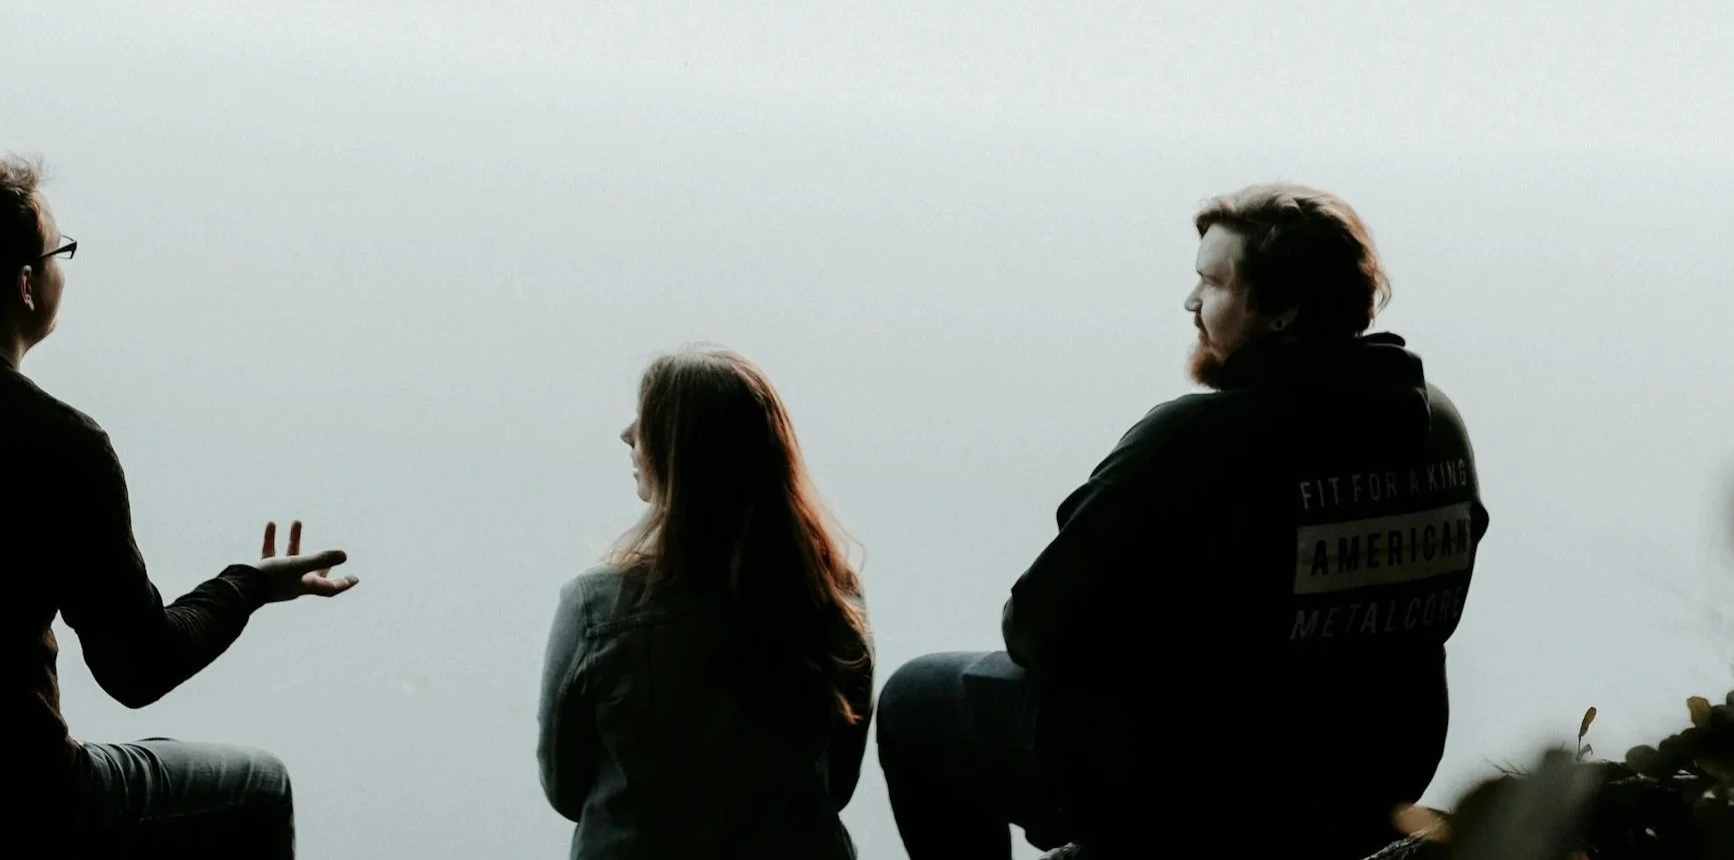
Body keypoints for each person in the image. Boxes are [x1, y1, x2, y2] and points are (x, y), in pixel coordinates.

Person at [877, 184, 1486, 860]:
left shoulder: (1194, 439)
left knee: (914, 700)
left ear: (1283, 310)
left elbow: (1036, 627)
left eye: (1214, 283)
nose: (1192, 302)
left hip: (1213, 785)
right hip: (1378, 771)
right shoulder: (1438, 424)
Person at [0, 156, 358, 856]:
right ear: (26, 284)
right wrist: (250, 585)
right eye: (61, 252)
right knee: (259, 784)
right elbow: (138, 670)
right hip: (10, 813)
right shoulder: (58, 442)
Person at [538, 347, 875, 859]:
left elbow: (564, 789)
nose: (628, 433)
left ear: (684, 452)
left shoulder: (595, 607)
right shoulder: (831, 595)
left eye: (649, 418)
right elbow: (838, 782)